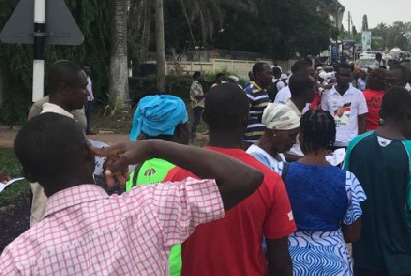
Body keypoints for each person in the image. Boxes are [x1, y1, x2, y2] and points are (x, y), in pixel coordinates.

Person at [0, 112, 264, 275]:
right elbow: (246, 177)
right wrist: (153, 146)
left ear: (30, 175)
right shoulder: (147, 207)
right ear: (91, 154)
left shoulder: (18, 259)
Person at [164, 83, 296, 276]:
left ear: (206, 118)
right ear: (246, 119)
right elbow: (280, 262)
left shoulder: (177, 176)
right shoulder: (268, 180)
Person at [345, 87, 411, 276]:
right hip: (402, 252)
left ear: (380, 113)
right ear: (410, 115)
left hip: (365, 251)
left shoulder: (356, 145)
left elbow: (347, 194)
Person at [279, 110, 366, 275]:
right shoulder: (347, 179)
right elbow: (353, 234)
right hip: (334, 261)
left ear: (301, 137)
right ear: (331, 140)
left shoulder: (280, 173)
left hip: (292, 260)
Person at [125, 95, 190, 276]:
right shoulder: (188, 169)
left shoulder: (137, 170)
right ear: (179, 129)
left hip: (144, 265)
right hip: (178, 266)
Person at [27, 60, 89, 227]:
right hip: (52, 220)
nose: (88, 93)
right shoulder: (54, 128)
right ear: (64, 89)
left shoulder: (68, 120)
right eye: (83, 87)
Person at [320, 63, 368, 148]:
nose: (345, 78)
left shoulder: (358, 94)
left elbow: (362, 118)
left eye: (347, 75)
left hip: (352, 142)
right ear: (336, 75)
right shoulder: (327, 95)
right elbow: (324, 119)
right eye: (342, 75)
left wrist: (360, 141)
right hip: (332, 142)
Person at [246, 103, 300, 170]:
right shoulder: (255, 158)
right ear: (274, 131)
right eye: (291, 135)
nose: (294, 141)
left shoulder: (276, 153)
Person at [387, 64, 411, 142]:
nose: (389, 85)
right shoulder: (386, 100)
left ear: (404, 81)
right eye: (387, 81)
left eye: (393, 81)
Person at [243, 62, 274, 145]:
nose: (271, 77)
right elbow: (241, 116)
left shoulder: (263, 92)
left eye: (272, 74)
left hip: (261, 142)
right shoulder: (250, 92)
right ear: (258, 75)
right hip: (250, 142)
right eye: (268, 74)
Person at [189, 72, 205, 142]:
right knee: (196, 120)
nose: (201, 77)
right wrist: (206, 95)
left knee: (197, 120)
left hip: (200, 104)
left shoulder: (198, 84)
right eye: (200, 76)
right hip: (197, 104)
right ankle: (193, 135)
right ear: (197, 76)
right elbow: (197, 96)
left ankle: (193, 135)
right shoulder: (195, 85)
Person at [82, 66, 96, 135]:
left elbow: (90, 89)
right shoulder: (82, 78)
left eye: (89, 69)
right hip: (85, 99)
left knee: (88, 115)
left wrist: (92, 97)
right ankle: (83, 130)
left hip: (90, 98)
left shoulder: (89, 78)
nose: (89, 71)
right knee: (83, 114)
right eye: (87, 70)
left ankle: (88, 129)